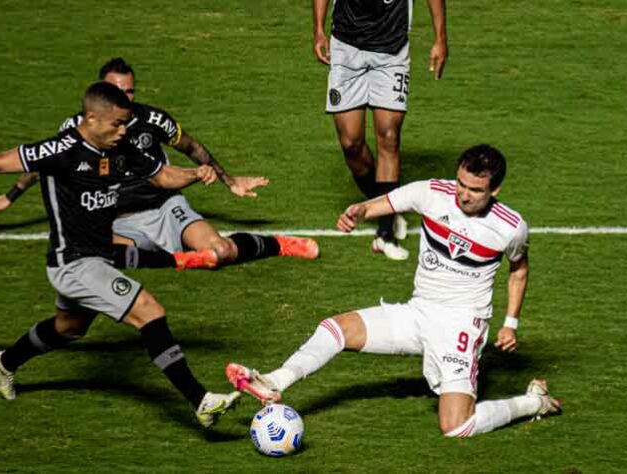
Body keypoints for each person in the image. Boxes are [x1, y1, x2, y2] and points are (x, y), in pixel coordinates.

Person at [0, 82, 240, 428]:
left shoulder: (118, 145)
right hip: (75, 263)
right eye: (117, 124)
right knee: (148, 311)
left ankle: (5, 361)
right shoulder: (60, 150)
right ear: (91, 118)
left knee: (69, 328)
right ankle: (201, 402)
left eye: (126, 124)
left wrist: (196, 174)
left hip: (99, 256)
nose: (124, 130)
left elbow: (161, 176)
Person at [227, 145, 561, 437]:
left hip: (461, 325)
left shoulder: (510, 227)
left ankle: (534, 402)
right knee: (336, 328)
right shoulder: (431, 192)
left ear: (496, 187)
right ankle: (274, 381)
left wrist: (510, 323)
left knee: (457, 427)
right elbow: (379, 204)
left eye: (475, 189)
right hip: (418, 312)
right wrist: (357, 212)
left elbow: (519, 270)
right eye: (461, 182)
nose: (463, 194)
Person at [0, 58, 319, 270]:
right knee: (98, 256)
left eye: (130, 91)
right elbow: (45, 162)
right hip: (116, 222)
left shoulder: (153, 120)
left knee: (220, 253)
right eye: (116, 90)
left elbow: (192, 147)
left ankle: (279, 244)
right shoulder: (78, 129)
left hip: (163, 207)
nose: (125, 98)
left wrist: (230, 181)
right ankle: (167, 260)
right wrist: (11, 196)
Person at [312, 0, 448, 260]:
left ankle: (384, 234)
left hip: (392, 51)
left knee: (389, 136)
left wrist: (440, 38)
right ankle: (387, 208)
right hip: (346, 47)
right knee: (351, 144)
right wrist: (318, 28)